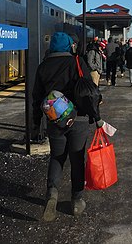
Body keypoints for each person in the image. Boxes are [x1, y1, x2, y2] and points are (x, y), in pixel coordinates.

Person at [31, 32, 104, 221]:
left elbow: (37, 98)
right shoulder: (77, 62)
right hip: (78, 119)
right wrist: (97, 118)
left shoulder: (43, 66)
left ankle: (52, 194)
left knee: (57, 157)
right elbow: (90, 92)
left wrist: (36, 122)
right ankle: (77, 201)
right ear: (68, 46)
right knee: (77, 159)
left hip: (55, 121)